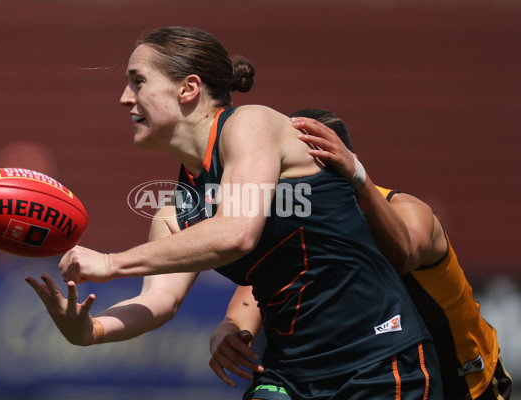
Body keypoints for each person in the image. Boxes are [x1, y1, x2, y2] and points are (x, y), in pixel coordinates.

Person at [26, 26, 443, 399]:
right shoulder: (177, 210)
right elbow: (159, 301)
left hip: (376, 364)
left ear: (189, 88)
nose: (124, 98)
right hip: (293, 373)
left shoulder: (250, 124)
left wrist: (112, 262)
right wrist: (91, 331)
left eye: (138, 82)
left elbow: (237, 231)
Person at [208, 109, 512, 400]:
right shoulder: (300, 221)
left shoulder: (408, 211)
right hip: (378, 372)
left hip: (465, 375)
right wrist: (231, 328)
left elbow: (401, 257)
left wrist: (357, 178)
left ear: (344, 164)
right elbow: (262, 280)